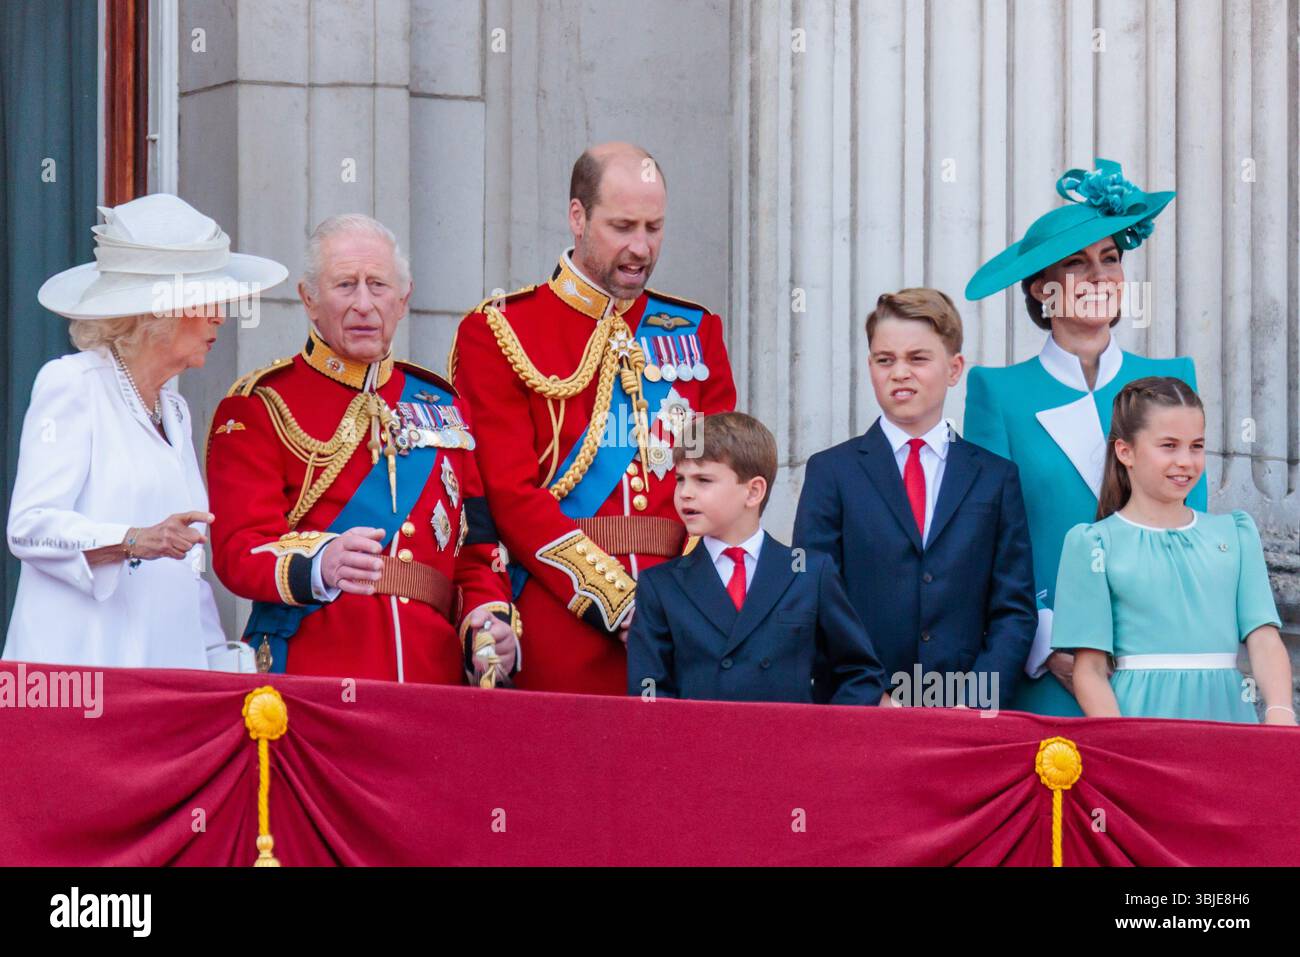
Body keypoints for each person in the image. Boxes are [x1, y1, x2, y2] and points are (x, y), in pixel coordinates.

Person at [450, 142, 737, 695]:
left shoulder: (696, 331)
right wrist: (619, 601)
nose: (640, 248)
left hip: (681, 627)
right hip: (559, 621)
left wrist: (679, 603)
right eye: (622, 226)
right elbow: (509, 495)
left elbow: (719, 482)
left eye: (654, 228)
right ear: (577, 217)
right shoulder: (500, 331)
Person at [205, 214, 519, 684]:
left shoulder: (445, 405)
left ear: (403, 299)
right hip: (313, 678)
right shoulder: (261, 404)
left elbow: (475, 552)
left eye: (378, 285)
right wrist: (320, 564)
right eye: (345, 285)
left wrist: (487, 623)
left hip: (429, 682)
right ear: (309, 300)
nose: (364, 305)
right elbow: (237, 551)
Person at [962, 157, 1206, 716]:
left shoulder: (1174, 380)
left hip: (1155, 663)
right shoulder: (996, 392)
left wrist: (1141, 638)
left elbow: (1191, 526)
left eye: (1111, 258)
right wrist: (1051, 644)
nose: (1100, 277)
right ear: (1042, 290)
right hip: (1046, 668)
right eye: (1077, 263)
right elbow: (990, 537)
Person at [4, 193, 287, 669]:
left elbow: (184, 568)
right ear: (160, 310)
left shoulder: (175, 411)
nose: (221, 315)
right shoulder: (73, 384)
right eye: (207, 299)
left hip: (162, 688)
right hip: (79, 680)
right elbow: (30, 530)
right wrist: (133, 539)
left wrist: (221, 666)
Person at [793, 289, 1036, 708]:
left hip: (966, 715)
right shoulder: (831, 472)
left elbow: (1013, 609)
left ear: (954, 368)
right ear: (870, 367)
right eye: (885, 360)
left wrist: (975, 702)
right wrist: (871, 696)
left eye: (918, 359)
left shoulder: (995, 479)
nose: (900, 372)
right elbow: (813, 598)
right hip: (863, 711)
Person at [1051, 377, 1295, 725]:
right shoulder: (1093, 544)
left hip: (1230, 722)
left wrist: (1280, 712)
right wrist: (1125, 745)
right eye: (1169, 445)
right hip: (1140, 728)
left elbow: (1264, 638)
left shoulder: (1236, 534)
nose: (1186, 461)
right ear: (1125, 451)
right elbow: (1088, 670)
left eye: (1196, 446)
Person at [627, 412, 885, 704]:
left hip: (790, 747)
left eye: (703, 480)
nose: (685, 493)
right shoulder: (660, 586)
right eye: (680, 479)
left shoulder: (811, 573)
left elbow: (859, 672)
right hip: (699, 747)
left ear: (753, 491)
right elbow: (648, 691)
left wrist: (823, 739)